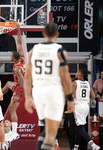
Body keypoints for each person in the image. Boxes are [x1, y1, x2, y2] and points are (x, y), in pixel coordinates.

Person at [24, 22, 74, 150]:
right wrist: (70, 98)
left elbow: (27, 76)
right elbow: (65, 77)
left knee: (46, 131)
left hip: (38, 92)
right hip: (53, 91)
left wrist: (28, 97)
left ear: (43, 33)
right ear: (57, 34)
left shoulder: (33, 50)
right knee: (51, 134)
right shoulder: (60, 50)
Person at [2, 25, 25, 133]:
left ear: (14, 58)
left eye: (11, 55)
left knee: (12, 109)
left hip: (20, 88)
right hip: (17, 85)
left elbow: (22, 82)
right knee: (7, 83)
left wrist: (19, 93)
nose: (10, 56)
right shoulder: (22, 58)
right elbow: (19, 43)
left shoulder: (17, 69)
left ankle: (15, 132)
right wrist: (19, 31)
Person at [72, 69, 100, 150]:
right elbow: (93, 97)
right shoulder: (88, 83)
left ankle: (93, 145)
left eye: (77, 72)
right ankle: (75, 147)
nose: (76, 73)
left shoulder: (74, 83)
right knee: (79, 127)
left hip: (78, 106)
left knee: (80, 128)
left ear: (80, 74)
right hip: (85, 107)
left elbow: (73, 97)